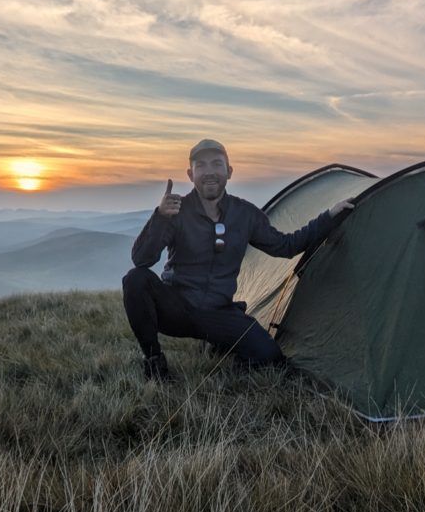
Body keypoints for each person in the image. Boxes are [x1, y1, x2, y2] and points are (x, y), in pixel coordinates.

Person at [122, 139, 354, 380]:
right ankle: (154, 361)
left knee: (269, 356)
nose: (209, 172)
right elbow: (141, 260)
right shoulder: (175, 210)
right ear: (191, 174)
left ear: (229, 171)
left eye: (216, 164)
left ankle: (220, 345)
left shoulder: (246, 214)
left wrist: (328, 217)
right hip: (176, 308)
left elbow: (286, 246)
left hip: (218, 313)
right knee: (135, 279)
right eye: (201, 166)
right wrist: (159, 218)